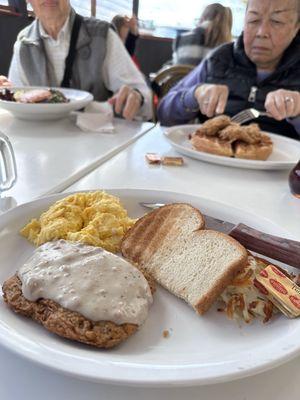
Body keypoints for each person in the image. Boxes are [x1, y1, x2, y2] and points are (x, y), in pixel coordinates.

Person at [157, 0, 300, 139]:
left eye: (277, 22)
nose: (261, 32)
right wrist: (194, 95)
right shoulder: (219, 59)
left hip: (283, 163)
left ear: (296, 28)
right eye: (253, 20)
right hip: (211, 158)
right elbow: (164, 114)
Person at [8, 1, 152, 121]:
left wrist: (136, 98)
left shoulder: (101, 35)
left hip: (95, 147)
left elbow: (146, 103)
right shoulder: (23, 45)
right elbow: (14, 107)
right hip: (40, 147)